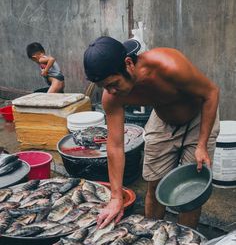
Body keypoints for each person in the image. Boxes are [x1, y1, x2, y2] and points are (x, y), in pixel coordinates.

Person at [83, 36, 220, 229]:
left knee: (190, 191)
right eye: (105, 87)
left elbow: (211, 93)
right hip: (163, 120)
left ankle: (186, 243)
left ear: (128, 64)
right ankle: (151, 235)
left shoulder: (169, 65)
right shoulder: (111, 97)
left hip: (198, 120)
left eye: (114, 83)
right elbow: (115, 145)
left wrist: (202, 145)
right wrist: (115, 197)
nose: (111, 91)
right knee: (154, 184)